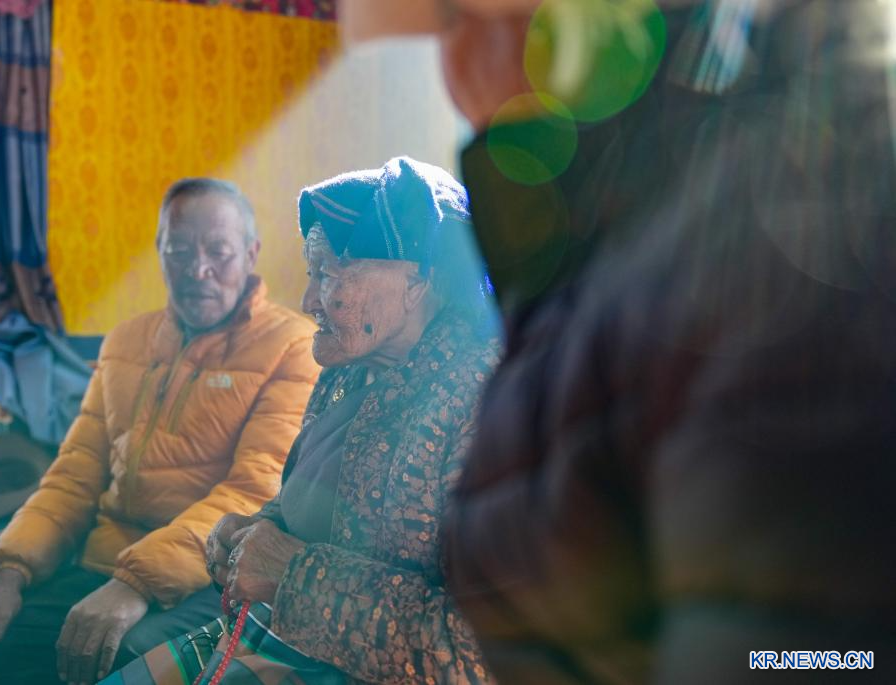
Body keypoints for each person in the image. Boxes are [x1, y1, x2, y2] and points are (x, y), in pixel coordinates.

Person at [345, 1, 896, 683]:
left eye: (459, 17)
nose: (454, 67)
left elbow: (811, 655)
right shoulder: (616, 229)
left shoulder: (794, 217)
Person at [104, 156, 499, 685]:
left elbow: (477, 652)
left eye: (330, 274)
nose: (309, 299)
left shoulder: (490, 405)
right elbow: (311, 502)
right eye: (313, 273)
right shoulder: (348, 371)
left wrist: (292, 574)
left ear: (416, 280)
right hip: (280, 639)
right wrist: (257, 531)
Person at [0, 178, 321, 685]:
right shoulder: (124, 343)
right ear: (159, 251)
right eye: (179, 250)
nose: (198, 270)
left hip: (208, 577)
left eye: (218, 252)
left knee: (124, 658)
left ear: (250, 253)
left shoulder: (294, 347)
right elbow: (73, 476)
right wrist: (10, 573)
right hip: (101, 565)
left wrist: (136, 584)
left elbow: (251, 491)